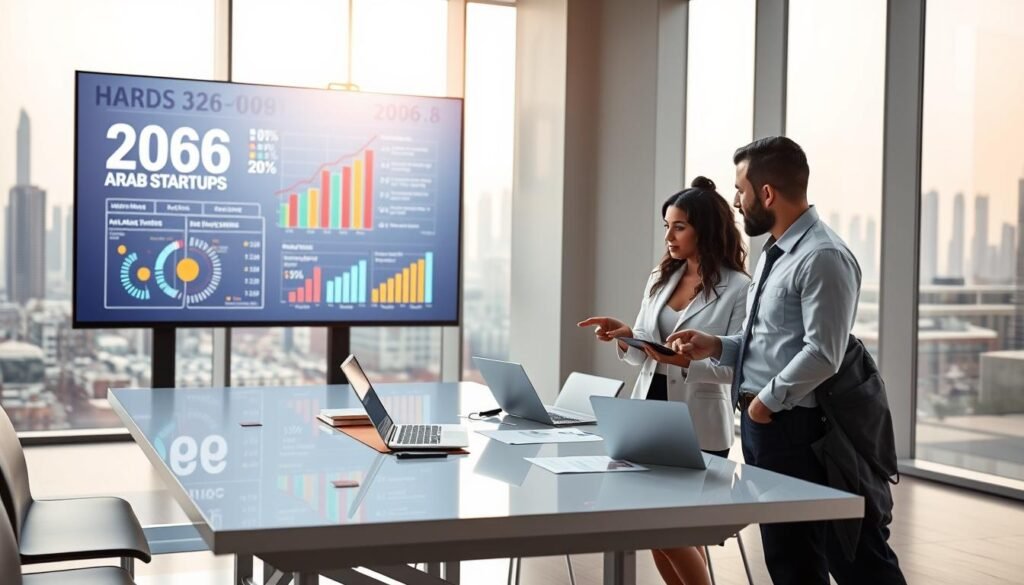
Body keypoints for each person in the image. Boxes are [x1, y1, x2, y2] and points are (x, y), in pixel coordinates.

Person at [668, 137, 906, 585]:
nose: (737, 202)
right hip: (768, 426)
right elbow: (769, 342)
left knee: (857, 558)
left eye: (741, 190)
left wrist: (765, 403)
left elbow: (823, 352)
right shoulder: (775, 255)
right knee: (789, 561)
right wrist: (717, 345)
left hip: (802, 429)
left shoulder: (823, 257)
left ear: (768, 194)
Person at [579, 176, 749, 585]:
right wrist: (625, 336)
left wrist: (687, 362)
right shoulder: (661, 276)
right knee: (653, 529)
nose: (670, 236)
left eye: (679, 227)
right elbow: (643, 349)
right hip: (648, 416)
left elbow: (738, 363)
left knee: (671, 530)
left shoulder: (739, 288)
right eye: (667, 226)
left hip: (697, 424)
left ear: (704, 230)